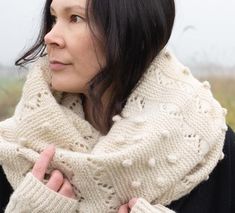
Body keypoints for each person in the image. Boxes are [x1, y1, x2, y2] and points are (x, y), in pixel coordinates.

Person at [0, 0, 234, 212]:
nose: (50, 36)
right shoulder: (16, 153)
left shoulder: (208, 144)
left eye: (75, 18)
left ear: (131, 30)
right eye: (53, 18)